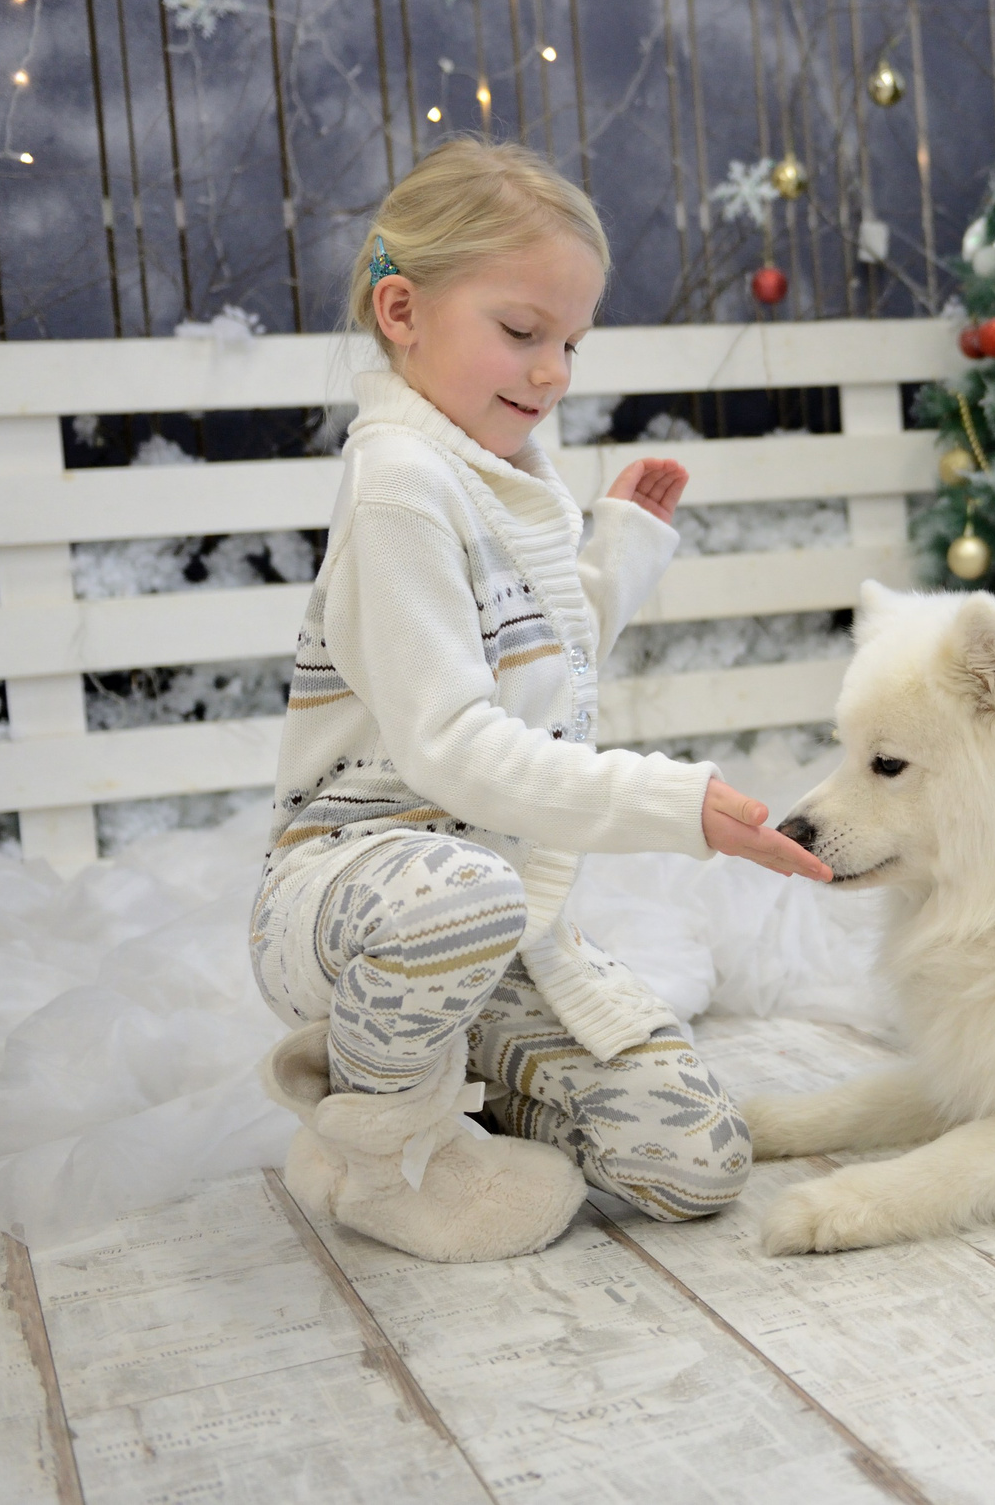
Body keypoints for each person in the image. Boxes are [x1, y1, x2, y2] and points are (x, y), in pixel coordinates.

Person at [249, 138, 829, 1264]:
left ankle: (480, 1079)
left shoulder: (497, 472)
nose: (553, 368)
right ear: (403, 309)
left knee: (694, 1161)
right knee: (461, 889)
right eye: (522, 332)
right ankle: (379, 1145)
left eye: (569, 341)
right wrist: (675, 801)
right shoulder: (402, 487)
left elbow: (538, 669)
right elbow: (456, 744)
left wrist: (615, 554)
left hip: (489, 915)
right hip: (349, 891)